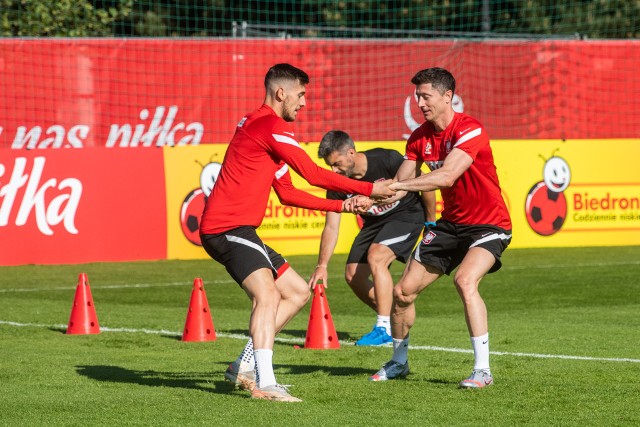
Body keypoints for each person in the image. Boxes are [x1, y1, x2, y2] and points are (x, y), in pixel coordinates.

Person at [199, 63, 394, 402]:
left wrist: (344, 206)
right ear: (281, 93)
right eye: (301, 95)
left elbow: (288, 192)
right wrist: (367, 189)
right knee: (268, 296)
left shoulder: (258, 127)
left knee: (297, 293)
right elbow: (312, 174)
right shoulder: (271, 126)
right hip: (227, 227)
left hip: (238, 229)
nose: (304, 103)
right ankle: (265, 383)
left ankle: (242, 365)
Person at [368, 67, 512, 389]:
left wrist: (397, 187)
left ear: (448, 97)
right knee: (402, 293)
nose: (419, 102)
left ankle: (482, 371)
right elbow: (403, 180)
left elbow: (447, 176)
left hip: (489, 223)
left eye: (425, 95)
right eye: (417, 96)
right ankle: (398, 362)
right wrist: (374, 195)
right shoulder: (419, 137)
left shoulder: (470, 129)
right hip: (451, 225)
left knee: (464, 280)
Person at [309, 130, 436, 346]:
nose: (333, 170)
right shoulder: (336, 182)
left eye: (337, 164)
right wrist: (322, 265)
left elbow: (425, 183)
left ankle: (383, 328)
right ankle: (393, 316)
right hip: (374, 224)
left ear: (351, 152)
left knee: (376, 257)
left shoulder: (387, 159)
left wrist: (431, 222)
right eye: (330, 165)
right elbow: (331, 227)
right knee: (352, 275)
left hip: (406, 215)